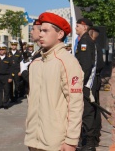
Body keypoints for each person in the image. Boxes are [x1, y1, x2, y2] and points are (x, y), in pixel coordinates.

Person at [24, 12, 84, 151]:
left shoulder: (67, 62)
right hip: (34, 139)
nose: (40, 34)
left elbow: (75, 103)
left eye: (45, 31)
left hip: (56, 141)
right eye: (40, 30)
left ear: (60, 34)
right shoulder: (36, 63)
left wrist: (71, 140)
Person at [75, 18, 96, 151]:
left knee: (87, 113)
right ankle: (85, 142)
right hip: (83, 82)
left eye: (77, 26)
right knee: (84, 113)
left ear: (84, 27)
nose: (75, 28)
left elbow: (85, 66)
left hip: (86, 84)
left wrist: (80, 83)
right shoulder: (83, 41)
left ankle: (89, 144)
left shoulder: (85, 42)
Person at [89, 26, 105, 147]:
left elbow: (99, 64)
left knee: (93, 107)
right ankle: (95, 134)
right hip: (96, 78)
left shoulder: (95, 46)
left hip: (94, 79)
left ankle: (93, 136)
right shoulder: (96, 46)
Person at [19, 19, 42, 95]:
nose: (30, 32)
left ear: (41, 32)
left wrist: (24, 71)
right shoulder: (39, 51)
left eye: (33, 29)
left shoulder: (43, 53)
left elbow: (36, 81)